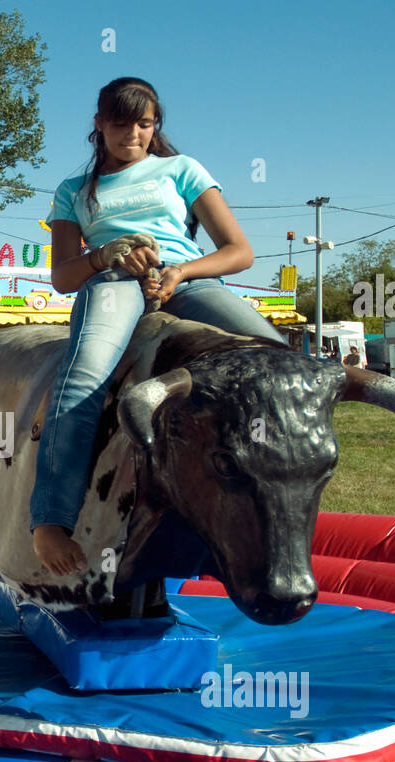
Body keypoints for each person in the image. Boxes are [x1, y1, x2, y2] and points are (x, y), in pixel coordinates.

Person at [32, 76, 287, 575]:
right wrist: (103, 254)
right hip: (112, 282)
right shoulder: (73, 192)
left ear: (156, 126)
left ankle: (254, 505)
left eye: (145, 124)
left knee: (278, 361)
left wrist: (180, 272)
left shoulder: (182, 170)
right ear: (100, 124)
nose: (134, 134)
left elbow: (239, 252)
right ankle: (49, 521)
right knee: (84, 375)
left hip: (184, 280)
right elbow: (62, 277)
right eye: (122, 123)